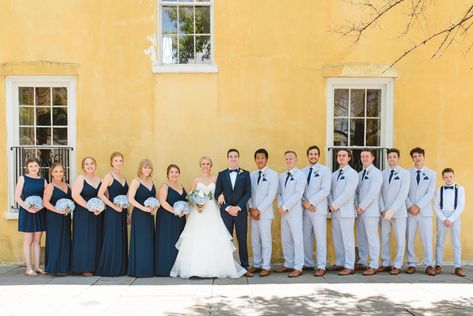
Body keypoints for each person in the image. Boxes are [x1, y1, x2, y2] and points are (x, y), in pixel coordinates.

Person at [170, 156, 246, 278]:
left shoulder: (216, 179)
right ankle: (195, 269)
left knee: (213, 236)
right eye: (203, 164)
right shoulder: (196, 180)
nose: (205, 166)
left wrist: (221, 196)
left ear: (211, 166)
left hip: (212, 211)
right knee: (198, 238)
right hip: (198, 213)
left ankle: (216, 269)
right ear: (200, 166)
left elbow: (221, 193)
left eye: (207, 164)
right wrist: (197, 204)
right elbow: (190, 197)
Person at [215, 149, 252, 276]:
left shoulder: (245, 174)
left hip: (240, 213)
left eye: (235, 156)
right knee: (227, 240)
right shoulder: (221, 174)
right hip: (226, 213)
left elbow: (248, 193)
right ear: (227, 158)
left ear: (238, 158)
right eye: (231, 156)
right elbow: (217, 194)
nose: (233, 158)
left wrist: (238, 208)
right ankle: (228, 267)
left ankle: (245, 267)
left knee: (242, 240)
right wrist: (228, 208)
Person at [96, 152, 129, 277]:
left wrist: (128, 212)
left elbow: (126, 196)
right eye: (116, 161)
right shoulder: (108, 176)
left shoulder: (123, 177)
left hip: (122, 212)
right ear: (111, 162)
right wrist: (114, 206)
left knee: (120, 238)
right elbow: (100, 194)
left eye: (120, 160)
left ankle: (120, 267)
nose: (118, 163)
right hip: (112, 212)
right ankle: (110, 268)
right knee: (112, 238)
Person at [247, 149, 278, 277]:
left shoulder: (273, 174)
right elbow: (248, 193)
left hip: (264, 214)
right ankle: (257, 264)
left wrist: (258, 210)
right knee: (255, 240)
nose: (260, 160)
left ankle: (266, 266)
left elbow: (271, 195)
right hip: (253, 213)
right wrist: (250, 208)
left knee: (266, 240)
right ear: (255, 160)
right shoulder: (252, 175)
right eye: (257, 158)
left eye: (262, 158)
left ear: (266, 159)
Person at [379, 148, 410, 275]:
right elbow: (379, 193)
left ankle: (397, 264)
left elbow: (403, 194)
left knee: (400, 239)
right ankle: (385, 263)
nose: (392, 159)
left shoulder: (405, 173)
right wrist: (382, 209)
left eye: (394, 157)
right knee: (384, 237)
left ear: (398, 158)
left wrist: (392, 210)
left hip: (399, 212)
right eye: (390, 157)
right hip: (384, 212)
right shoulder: (382, 173)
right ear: (387, 159)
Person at [275, 151, 306, 278]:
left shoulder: (300, 175)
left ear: (296, 160)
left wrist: (286, 206)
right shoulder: (282, 175)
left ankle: (298, 266)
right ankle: (288, 263)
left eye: (291, 158)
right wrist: (280, 206)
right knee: (286, 238)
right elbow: (279, 193)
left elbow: (298, 194)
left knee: (297, 239)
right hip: (284, 212)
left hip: (294, 212)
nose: (288, 161)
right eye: (286, 159)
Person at [406, 147, 436, 276]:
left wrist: (418, 206)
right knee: (410, 238)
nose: (417, 158)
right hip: (409, 212)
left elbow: (430, 193)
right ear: (412, 159)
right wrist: (410, 206)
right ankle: (411, 263)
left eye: (419, 156)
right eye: (415, 156)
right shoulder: (407, 173)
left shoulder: (432, 174)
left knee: (427, 239)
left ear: (423, 157)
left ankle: (429, 264)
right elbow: (404, 192)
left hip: (425, 212)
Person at [301, 145, 331, 277]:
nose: (313, 156)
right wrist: (305, 203)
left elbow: (325, 190)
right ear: (307, 156)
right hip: (305, 209)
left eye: (315, 154)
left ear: (318, 156)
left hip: (318, 209)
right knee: (306, 237)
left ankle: (321, 265)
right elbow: (299, 190)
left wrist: (311, 202)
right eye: (310, 154)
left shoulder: (325, 170)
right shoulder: (302, 171)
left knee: (320, 238)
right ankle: (308, 262)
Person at [71, 156, 103, 276]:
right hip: (83, 213)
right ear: (83, 167)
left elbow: (103, 196)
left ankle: (95, 265)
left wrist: (100, 207)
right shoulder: (81, 178)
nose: (89, 166)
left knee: (95, 237)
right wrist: (89, 206)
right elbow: (75, 195)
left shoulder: (99, 179)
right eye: (86, 164)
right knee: (84, 239)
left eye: (91, 163)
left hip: (97, 213)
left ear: (95, 165)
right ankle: (84, 267)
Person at [15, 157, 47, 276]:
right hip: (26, 212)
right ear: (27, 168)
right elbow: (17, 196)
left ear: (39, 167)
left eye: (35, 166)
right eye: (31, 166)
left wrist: (41, 207)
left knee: (37, 241)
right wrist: (27, 208)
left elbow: (46, 197)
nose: (33, 168)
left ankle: (38, 267)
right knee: (28, 240)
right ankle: (29, 268)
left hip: (39, 212)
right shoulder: (23, 178)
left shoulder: (43, 181)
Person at [328, 149, 358, 275]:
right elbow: (329, 192)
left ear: (349, 158)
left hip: (346, 212)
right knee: (338, 239)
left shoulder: (353, 173)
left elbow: (348, 192)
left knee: (348, 239)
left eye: (344, 156)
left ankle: (350, 265)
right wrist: (331, 204)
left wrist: (334, 205)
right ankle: (340, 262)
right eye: (339, 155)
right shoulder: (333, 175)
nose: (341, 158)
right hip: (335, 212)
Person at [155, 164, 187, 276]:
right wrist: (175, 212)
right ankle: (165, 268)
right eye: (172, 172)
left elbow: (186, 201)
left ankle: (177, 269)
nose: (174, 174)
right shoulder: (165, 186)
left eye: (176, 172)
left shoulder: (182, 186)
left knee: (178, 242)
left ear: (179, 174)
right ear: (168, 174)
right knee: (167, 241)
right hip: (167, 218)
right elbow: (162, 202)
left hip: (180, 219)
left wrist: (185, 211)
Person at [355, 149, 383, 276]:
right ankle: (362, 260)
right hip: (359, 211)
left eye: (367, 156)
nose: (364, 158)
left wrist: (361, 206)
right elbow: (356, 193)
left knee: (372, 239)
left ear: (372, 158)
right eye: (362, 156)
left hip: (370, 211)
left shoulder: (377, 173)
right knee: (361, 238)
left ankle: (373, 264)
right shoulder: (360, 174)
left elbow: (373, 193)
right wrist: (357, 207)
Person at [128, 159, 158, 278]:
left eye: (149, 168)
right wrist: (143, 209)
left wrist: (155, 208)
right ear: (141, 168)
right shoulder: (136, 181)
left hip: (149, 216)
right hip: (140, 215)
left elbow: (155, 198)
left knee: (148, 241)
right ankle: (139, 270)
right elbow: (130, 199)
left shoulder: (151, 181)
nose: (147, 170)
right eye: (145, 167)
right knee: (140, 241)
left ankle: (147, 269)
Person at [434, 168, 466, 277]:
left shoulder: (460, 189)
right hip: (441, 216)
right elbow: (436, 206)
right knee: (439, 241)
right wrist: (443, 219)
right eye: (446, 177)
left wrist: (451, 219)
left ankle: (458, 266)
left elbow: (461, 206)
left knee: (456, 242)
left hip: (455, 216)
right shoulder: (439, 190)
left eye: (450, 176)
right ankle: (438, 265)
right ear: (443, 178)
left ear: (454, 176)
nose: (448, 179)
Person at [43, 162, 72, 275]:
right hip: (54, 218)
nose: (59, 174)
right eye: (56, 171)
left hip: (66, 217)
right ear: (51, 173)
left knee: (65, 240)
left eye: (61, 171)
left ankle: (64, 267)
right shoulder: (50, 186)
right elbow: (45, 203)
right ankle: (55, 267)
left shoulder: (68, 186)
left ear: (64, 172)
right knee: (56, 241)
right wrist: (58, 211)